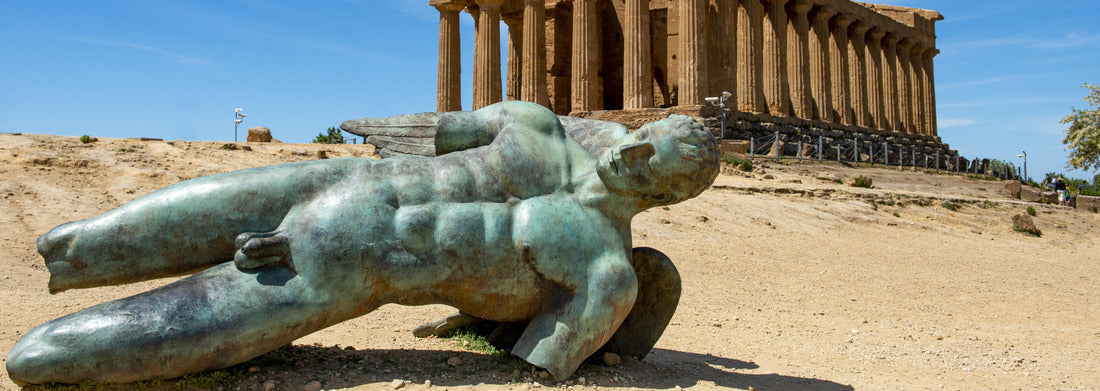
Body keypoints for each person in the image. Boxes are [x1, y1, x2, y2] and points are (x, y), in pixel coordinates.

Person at [7, 101, 720, 385]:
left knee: (42, 358)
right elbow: (431, 130)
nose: (627, 157)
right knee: (72, 244)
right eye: (638, 140)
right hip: (344, 183)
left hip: (352, 268)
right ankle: (68, 257)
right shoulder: (536, 122)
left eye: (647, 166)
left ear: (664, 196)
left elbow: (541, 361)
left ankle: (45, 357)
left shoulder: (605, 271)